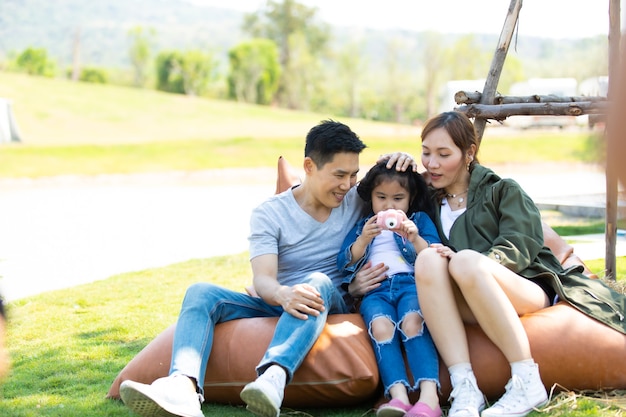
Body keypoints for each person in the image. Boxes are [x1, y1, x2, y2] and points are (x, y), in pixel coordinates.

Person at [119, 119, 416, 417]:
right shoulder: (269, 214)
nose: (347, 185)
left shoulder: (356, 198)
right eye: (339, 175)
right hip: (280, 300)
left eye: (353, 175)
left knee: (318, 280)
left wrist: (402, 159)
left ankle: (273, 377)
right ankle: (183, 386)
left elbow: (397, 188)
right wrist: (285, 295)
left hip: (331, 299)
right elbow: (263, 280)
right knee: (200, 292)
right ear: (309, 167)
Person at [408, 111, 626, 417]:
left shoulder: (503, 190)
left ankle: (526, 382)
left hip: (525, 287)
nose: (431, 163)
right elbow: (384, 193)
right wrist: (395, 161)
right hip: (467, 295)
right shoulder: (427, 200)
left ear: (469, 153)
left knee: (466, 263)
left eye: (444, 154)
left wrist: (473, 263)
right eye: (426, 153)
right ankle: (466, 388)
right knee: (429, 258)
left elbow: (520, 245)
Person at [337, 159, 442, 417]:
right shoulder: (364, 226)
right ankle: (398, 397)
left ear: (410, 198)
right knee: (381, 327)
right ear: (371, 198)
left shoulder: (419, 220)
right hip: (377, 290)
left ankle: (430, 399)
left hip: (411, 285)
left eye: (398, 198)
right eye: (381, 197)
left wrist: (414, 237)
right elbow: (345, 261)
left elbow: (433, 256)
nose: (389, 205)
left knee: (413, 322)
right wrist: (363, 239)